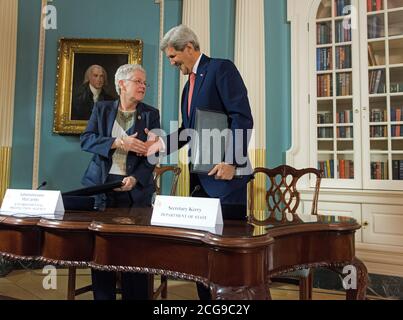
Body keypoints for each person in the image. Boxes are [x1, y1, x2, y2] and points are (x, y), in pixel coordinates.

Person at [148, 24, 254, 300]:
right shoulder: (188, 88)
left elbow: (242, 117)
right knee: (202, 255)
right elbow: (188, 130)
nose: (171, 63)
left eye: (173, 57)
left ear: (190, 48)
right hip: (200, 180)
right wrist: (160, 144)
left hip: (226, 179)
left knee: (226, 258)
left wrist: (232, 160)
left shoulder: (221, 69)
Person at [80, 64, 160, 300]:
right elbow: (86, 140)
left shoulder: (150, 114)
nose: (143, 86)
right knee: (102, 253)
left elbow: (154, 154)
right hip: (102, 189)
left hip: (134, 192)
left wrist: (136, 178)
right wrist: (118, 142)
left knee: (134, 254)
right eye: (138, 81)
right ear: (122, 84)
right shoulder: (102, 109)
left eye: (145, 82)